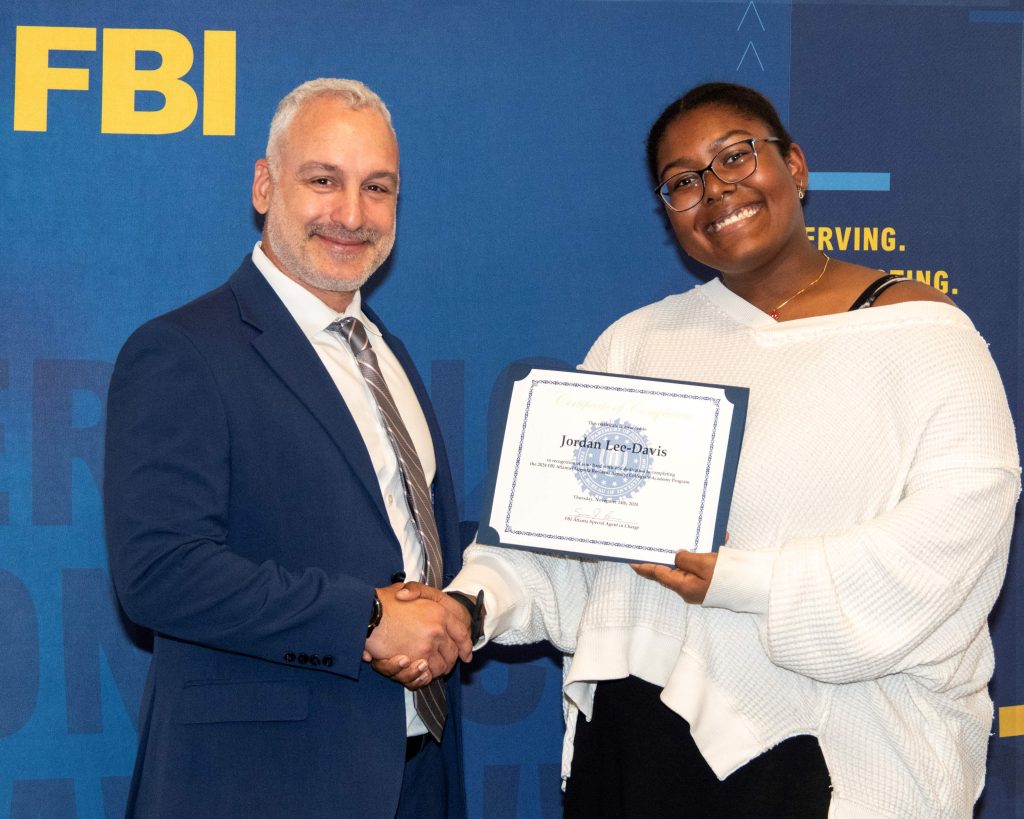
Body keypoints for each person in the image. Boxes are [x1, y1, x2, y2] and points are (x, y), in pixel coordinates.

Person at [396, 82, 1020, 816]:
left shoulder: (923, 334)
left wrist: (737, 578)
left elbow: (952, 546)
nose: (715, 189)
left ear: (795, 164)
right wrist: (472, 605)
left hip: (829, 758)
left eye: (735, 156)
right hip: (632, 752)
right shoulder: (638, 342)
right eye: (683, 180)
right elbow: (558, 538)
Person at [104, 78, 472, 819]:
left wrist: (482, 592)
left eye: (378, 188)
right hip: (257, 784)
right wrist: (365, 618)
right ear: (265, 185)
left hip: (417, 776)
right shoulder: (182, 350)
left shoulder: (386, 353)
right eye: (323, 180)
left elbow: (410, 549)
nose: (351, 214)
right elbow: (159, 572)